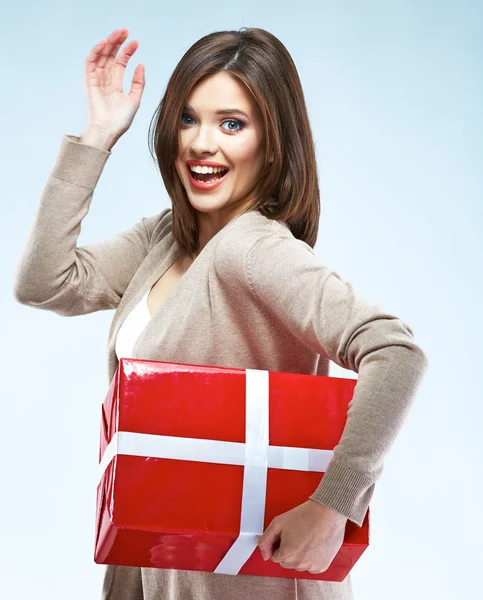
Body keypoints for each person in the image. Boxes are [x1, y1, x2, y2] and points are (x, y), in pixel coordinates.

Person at [12, 26, 429, 600]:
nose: (201, 143)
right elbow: (43, 283)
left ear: (273, 141)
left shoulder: (254, 248)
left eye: (231, 124)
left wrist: (335, 505)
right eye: (188, 119)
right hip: (161, 568)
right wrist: (98, 136)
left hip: (245, 577)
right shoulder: (165, 237)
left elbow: (395, 351)